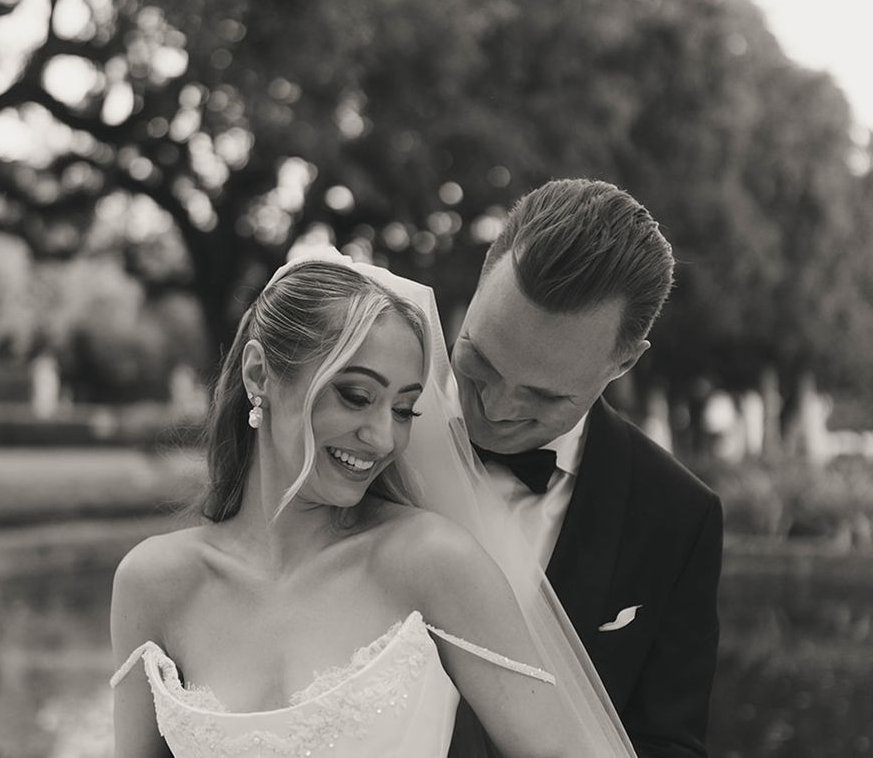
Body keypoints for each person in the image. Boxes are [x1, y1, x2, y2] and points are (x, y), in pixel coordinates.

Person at [109, 259, 635, 758]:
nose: (383, 437)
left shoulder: (432, 561)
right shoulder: (152, 583)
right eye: (357, 396)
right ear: (258, 374)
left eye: (404, 409)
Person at [448, 179, 724, 758]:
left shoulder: (677, 516)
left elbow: (665, 742)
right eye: (480, 359)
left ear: (623, 362)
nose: (496, 410)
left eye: (546, 397)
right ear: (479, 283)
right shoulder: (358, 431)